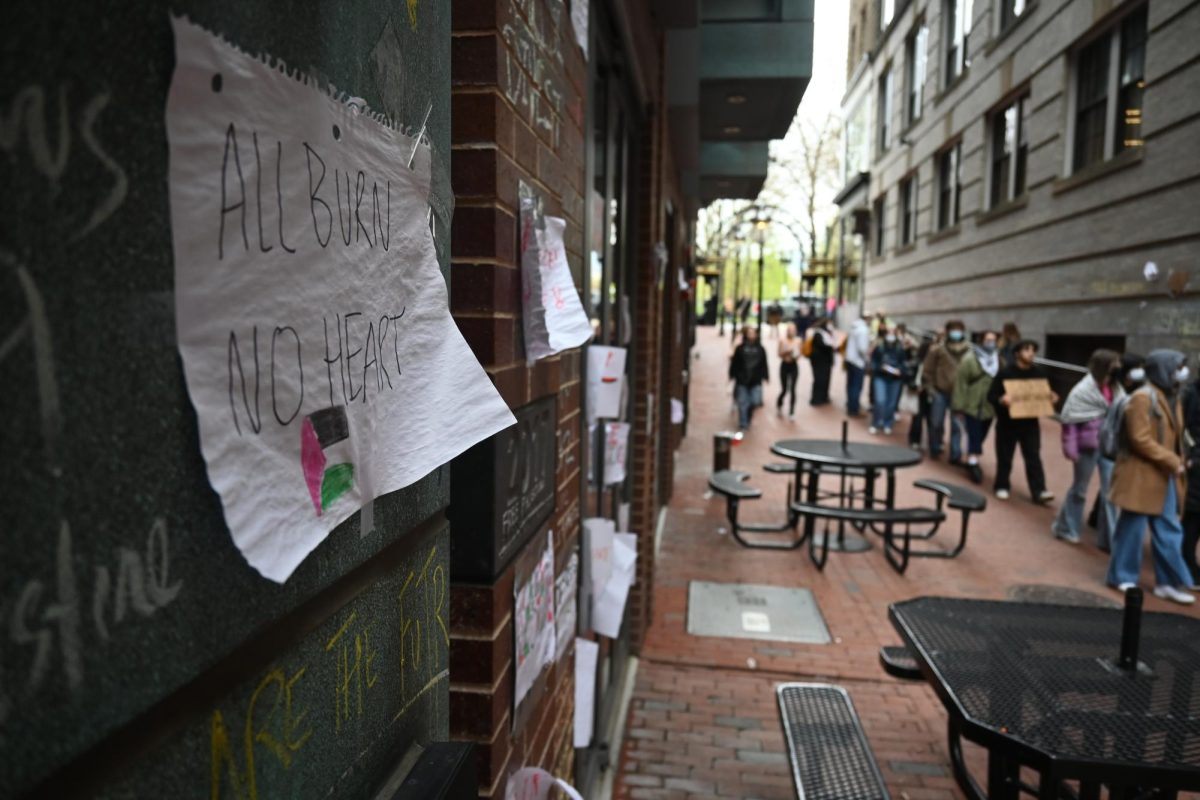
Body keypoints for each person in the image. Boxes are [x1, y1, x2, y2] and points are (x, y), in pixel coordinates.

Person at [1106, 350, 1194, 604]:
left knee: (1169, 529)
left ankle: (1168, 582)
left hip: (1164, 476)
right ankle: (1122, 575)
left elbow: (1176, 435)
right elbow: (1139, 439)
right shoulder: (1143, 398)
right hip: (1141, 476)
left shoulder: (1172, 397)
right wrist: (1172, 460)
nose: (1181, 372)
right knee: (1131, 528)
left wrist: (1179, 459)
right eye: (1177, 367)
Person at [1052, 350, 1124, 545]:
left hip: (1109, 448)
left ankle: (1109, 539)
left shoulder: (1116, 389)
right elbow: (1069, 421)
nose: (1118, 368)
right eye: (1114, 364)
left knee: (1110, 493)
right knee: (1079, 490)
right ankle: (1067, 528)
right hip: (1087, 448)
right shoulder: (1082, 391)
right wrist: (1071, 449)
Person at [987, 339, 1057, 503]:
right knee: (1005, 456)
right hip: (1007, 423)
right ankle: (1002, 486)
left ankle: (1039, 491)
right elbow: (991, 395)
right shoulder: (1006, 373)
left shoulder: (1039, 373)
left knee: (1033, 456)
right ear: (1017, 353)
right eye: (1026, 350)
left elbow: (1044, 394)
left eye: (1033, 350)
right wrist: (1001, 400)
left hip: (1030, 423)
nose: (1031, 353)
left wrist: (1051, 398)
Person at [952, 330, 1000, 484]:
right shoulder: (970, 360)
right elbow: (961, 383)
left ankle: (972, 455)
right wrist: (959, 406)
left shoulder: (998, 360)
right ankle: (973, 462)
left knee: (982, 434)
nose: (990, 343)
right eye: (988, 340)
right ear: (981, 341)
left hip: (989, 407)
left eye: (993, 340)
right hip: (972, 405)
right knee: (974, 433)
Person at [923, 320, 971, 463]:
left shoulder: (969, 351)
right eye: (953, 329)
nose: (956, 332)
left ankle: (955, 455)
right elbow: (928, 371)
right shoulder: (938, 350)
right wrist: (931, 389)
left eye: (959, 329)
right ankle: (935, 447)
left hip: (959, 394)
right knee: (936, 422)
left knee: (957, 425)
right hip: (940, 392)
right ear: (948, 331)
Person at [869, 325, 909, 435]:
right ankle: (876, 422)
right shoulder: (879, 346)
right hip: (880, 377)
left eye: (893, 333)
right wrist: (880, 367)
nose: (890, 335)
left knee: (891, 403)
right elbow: (873, 362)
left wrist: (899, 370)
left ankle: (887, 423)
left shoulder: (900, 348)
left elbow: (904, 364)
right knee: (880, 400)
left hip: (895, 379)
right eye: (889, 333)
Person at [729, 325, 769, 431]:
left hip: (755, 380)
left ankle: (748, 415)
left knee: (755, 401)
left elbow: (764, 363)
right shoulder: (740, 348)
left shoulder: (760, 349)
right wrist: (732, 375)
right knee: (742, 402)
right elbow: (735, 363)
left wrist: (766, 376)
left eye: (753, 333)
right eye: (749, 333)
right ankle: (743, 423)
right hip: (742, 380)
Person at [1181, 364, 1200, 586]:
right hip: (1196, 463)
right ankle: (1186, 561)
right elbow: (1181, 427)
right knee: (1193, 514)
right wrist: (1189, 456)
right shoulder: (1191, 394)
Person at [906, 330, 935, 451]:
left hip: (932, 393)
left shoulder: (936, 363)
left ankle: (933, 443)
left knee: (932, 419)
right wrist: (915, 387)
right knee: (918, 418)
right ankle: (914, 440)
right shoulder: (918, 362)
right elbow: (909, 376)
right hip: (920, 393)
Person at [844, 311, 872, 417]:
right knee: (856, 386)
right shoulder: (863, 330)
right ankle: (853, 408)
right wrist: (867, 359)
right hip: (858, 362)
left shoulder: (855, 327)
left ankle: (851, 404)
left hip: (851, 360)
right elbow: (862, 348)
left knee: (851, 385)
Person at [808, 317, 835, 406]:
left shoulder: (827, 333)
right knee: (819, 380)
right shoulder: (818, 333)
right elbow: (822, 346)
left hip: (826, 362)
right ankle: (816, 399)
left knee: (826, 379)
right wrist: (832, 346)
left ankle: (824, 397)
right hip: (819, 362)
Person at [777, 323, 800, 420]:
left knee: (793, 389)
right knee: (784, 389)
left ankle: (791, 411)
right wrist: (788, 352)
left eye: (793, 330)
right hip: (784, 365)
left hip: (794, 365)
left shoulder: (798, 340)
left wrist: (795, 355)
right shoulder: (782, 340)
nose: (791, 332)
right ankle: (779, 404)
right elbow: (779, 354)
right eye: (790, 330)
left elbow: (800, 354)